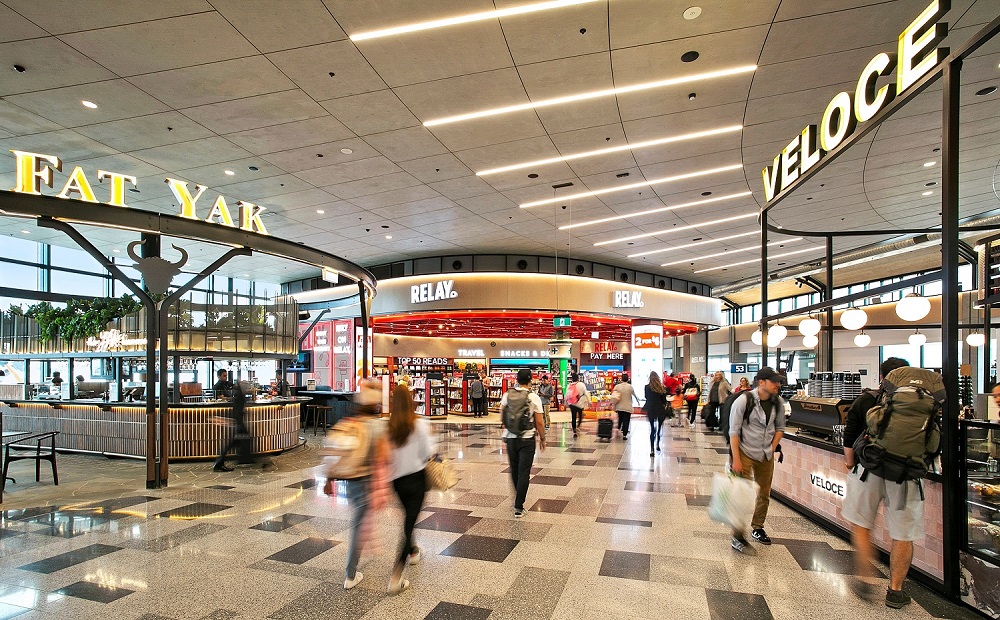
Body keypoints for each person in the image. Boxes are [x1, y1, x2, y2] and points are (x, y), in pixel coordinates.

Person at [842, 357, 919, 608]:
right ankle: (895, 590)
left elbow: (850, 431)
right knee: (903, 533)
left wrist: (850, 462)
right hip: (906, 474)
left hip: (868, 470)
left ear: (883, 376)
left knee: (862, 525)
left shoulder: (868, 399)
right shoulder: (921, 404)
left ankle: (865, 577)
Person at [729, 367, 786, 555]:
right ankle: (737, 536)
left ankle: (758, 527)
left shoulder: (778, 402)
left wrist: (772, 446)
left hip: (765, 454)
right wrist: (736, 459)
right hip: (744, 452)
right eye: (774, 381)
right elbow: (734, 431)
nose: (778, 385)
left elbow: (780, 427)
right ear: (761, 382)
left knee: (764, 492)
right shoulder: (744, 400)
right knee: (741, 493)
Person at [340, 379, 390, 591]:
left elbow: (339, 451)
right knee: (359, 526)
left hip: (350, 479)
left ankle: (356, 566)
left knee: (360, 522)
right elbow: (385, 455)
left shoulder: (351, 422)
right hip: (366, 481)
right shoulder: (377, 426)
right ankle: (350, 574)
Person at [387, 383, 434, 594]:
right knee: (408, 525)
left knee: (408, 518)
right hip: (416, 480)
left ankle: (414, 551)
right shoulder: (420, 424)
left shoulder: (388, 426)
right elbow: (427, 453)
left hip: (396, 482)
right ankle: (396, 577)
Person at [500, 368, 545, 517]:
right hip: (527, 438)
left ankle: (516, 497)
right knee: (524, 472)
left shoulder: (507, 395)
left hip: (511, 437)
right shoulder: (534, 397)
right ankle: (519, 506)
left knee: (514, 469)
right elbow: (539, 421)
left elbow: (502, 415)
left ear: (517, 380)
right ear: (530, 380)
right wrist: (543, 438)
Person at [213, 380, 252, 472]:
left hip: (238, 422)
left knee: (237, 442)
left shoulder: (239, 394)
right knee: (234, 443)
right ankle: (219, 463)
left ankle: (243, 458)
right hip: (239, 423)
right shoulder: (239, 395)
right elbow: (237, 410)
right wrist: (237, 422)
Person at [644, 371, 669, 456]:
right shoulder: (662, 388)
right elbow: (664, 401)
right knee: (659, 428)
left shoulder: (647, 387)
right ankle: (658, 443)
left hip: (651, 409)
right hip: (660, 409)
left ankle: (652, 450)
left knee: (652, 428)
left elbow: (646, 397)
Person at [611, 373, 638, 440]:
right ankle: (624, 435)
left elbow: (613, 396)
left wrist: (612, 404)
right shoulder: (630, 387)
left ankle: (617, 430)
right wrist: (638, 401)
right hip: (627, 407)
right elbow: (634, 395)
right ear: (628, 379)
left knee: (620, 418)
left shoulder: (617, 386)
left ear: (621, 379)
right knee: (626, 420)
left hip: (619, 406)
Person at [567, 373, 589, 437]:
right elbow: (586, 393)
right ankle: (578, 426)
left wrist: (566, 403)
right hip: (580, 403)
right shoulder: (581, 384)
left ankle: (574, 428)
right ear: (578, 378)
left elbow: (566, 395)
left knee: (573, 416)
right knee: (580, 415)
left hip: (572, 403)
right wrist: (589, 401)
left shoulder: (570, 385)